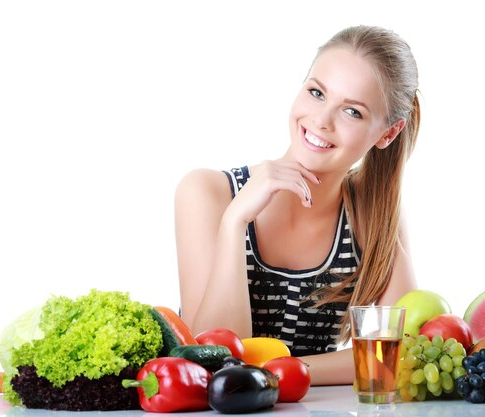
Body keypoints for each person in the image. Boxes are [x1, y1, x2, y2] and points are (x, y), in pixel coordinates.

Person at [175, 25, 420, 385]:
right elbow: (213, 361)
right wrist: (234, 224)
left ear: (387, 134)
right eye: (317, 92)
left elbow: (394, 356)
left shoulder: (373, 214)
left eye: (352, 112)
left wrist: (283, 373)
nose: (321, 120)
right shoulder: (208, 192)